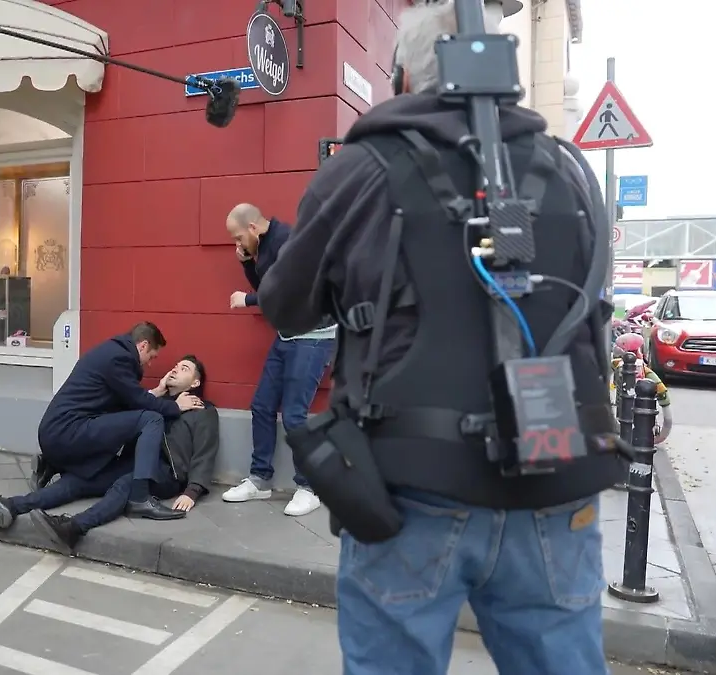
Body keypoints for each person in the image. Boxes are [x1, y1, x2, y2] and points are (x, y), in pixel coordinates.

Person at [253, 2, 623, 673]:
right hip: (556, 472)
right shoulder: (568, 170)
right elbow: (592, 305)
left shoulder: (361, 168)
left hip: (411, 488)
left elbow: (287, 305)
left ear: (401, 78)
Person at [0, 356, 220, 552]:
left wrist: (192, 491)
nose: (175, 369)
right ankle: (12, 505)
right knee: (79, 480)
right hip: (131, 461)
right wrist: (160, 392)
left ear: (195, 383)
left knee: (125, 485)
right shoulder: (157, 403)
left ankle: (74, 527)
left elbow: (206, 451)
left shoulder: (204, 411)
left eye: (184, 368)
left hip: (166, 472)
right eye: (175, 366)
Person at [222, 203, 335, 517]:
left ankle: (309, 488)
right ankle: (260, 480)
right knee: (262, 405)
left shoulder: (289, 241)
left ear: (252, 228)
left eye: (238, 237)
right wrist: (248, 263)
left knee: (295, 415)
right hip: (287, 335)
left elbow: (292, 290)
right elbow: (267, 287)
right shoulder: (265, 244)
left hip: (314, 336)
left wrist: (247, 300)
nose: (237, 243)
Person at [31, 322, 204, 522]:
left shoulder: (113, 351)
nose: (150, 364)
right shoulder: (119, 358)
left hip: (60, 429)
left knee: (120, 428)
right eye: (152, 357)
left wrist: (157, 392)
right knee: (150, 419)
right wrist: (175, 407)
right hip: (64, 432)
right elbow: (136, 401)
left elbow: (126, 401)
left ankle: (52, 465)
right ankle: (139, 498)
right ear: (143, 346)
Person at [612, 333, 672, 443]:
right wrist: (664, 401)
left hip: (624, 410)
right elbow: (662, 391)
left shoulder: (617, 365)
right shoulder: (642, 368)